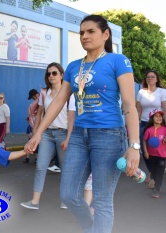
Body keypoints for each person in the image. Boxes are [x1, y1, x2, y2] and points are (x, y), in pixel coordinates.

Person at [25, 15, 140, 233]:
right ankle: (92, 228)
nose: (84, 36)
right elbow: (59, 101)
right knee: (68, 194)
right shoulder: (73, 66)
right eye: (81, 33)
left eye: (90, 32)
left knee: (102, 200)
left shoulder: (118, 61)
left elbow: (128, 103)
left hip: (108, 135)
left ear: (105, 35)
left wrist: (134, 145)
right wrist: (38, 132)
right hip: (78, 134)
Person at [20, 62, 75, 210]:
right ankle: (34, 201)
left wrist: (69, 137)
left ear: (62, 75)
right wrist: (35, 134)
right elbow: (39, 114)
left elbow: (71, 117)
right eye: (49, 73)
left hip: (63, 133)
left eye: (54, 73)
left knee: (65, 168)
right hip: (47, 134)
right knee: (40, 166)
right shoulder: (44, 92)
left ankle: (66, 200)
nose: (51, 76)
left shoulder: (69, 93)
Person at [136, 70, 166, 188]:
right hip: (144, 124)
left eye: (152, 77)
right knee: (145, 151)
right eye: (148, 77)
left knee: (158, 151)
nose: (149, 79)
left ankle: (155, 175)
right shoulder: (141, 92)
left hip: (159, 125)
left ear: (157, 79)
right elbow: (138, 110)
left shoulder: (162, 92)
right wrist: (134, 124)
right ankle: (152, 172)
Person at [143, 109, 166, 198]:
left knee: (160, 172)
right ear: (152, 118)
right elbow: (144, 140)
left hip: (162, 155)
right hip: (151, 155)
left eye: (160, 116)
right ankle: (155, 183)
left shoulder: (165, 129)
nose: (159, 118)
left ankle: (156, 189)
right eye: (156, 116)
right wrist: (145, 151)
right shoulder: (149, 130)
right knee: (153, 171)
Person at [23, 89, 39, 163]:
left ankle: (36, 158)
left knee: (35, 142)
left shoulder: (39, 102)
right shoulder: (37, 102)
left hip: (37, 126)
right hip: (34, 125)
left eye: (32, 97)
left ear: (35, 95)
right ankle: (36, 159)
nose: (32, 99)